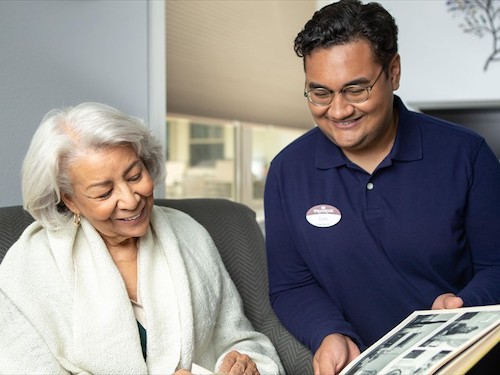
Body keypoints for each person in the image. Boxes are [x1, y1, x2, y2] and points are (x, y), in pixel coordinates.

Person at [263, 0, 500, 374]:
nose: (339, 111)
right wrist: (328, 333)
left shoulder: (467, 155)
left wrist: (463, 305)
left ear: (394, 71)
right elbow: (292, 285)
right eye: (320, 93)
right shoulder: (286, 171)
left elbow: (496, 265)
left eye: (356, 89)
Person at [0, 102, 284, 375]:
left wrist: (243, 364)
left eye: (135, 176)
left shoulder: (189, 233)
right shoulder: (29, 268)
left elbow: (237, 338)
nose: (130, 199)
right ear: (71, 201)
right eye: (104, 193)